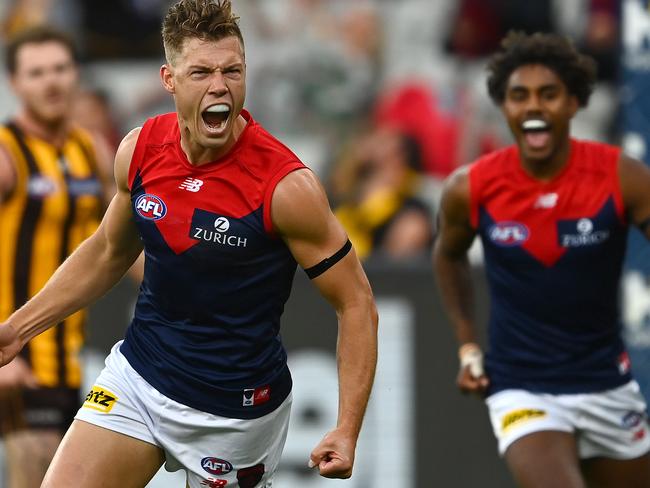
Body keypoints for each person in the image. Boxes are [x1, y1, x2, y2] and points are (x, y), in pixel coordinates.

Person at [0, 1, 378, 487]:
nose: (219, 86)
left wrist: (347, 428)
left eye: (232, 70)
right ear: (169, 79)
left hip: (235, 413)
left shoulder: (286, 187)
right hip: (140, 375)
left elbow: (357, 302)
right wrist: (19, 328)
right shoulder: (139, 149)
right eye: (201, 71)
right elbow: (109, 251)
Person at [433, 31, 650, 488]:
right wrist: (468, 343)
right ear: (504, 107)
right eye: (519, 96)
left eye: (548, 94)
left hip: (607, 383)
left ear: (574, 103)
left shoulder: (623, 177)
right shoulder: (470, 187)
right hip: (522, 387)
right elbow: (448, 255)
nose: (533, 106)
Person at [0, 26, 113, 488]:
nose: (51, 82)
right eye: (37, 72)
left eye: (61, 69)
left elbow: (117, 247)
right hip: (16, 364)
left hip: (70, 362)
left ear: (76, 75)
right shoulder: (7, 154)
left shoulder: (94, 150)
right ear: (15, 84)